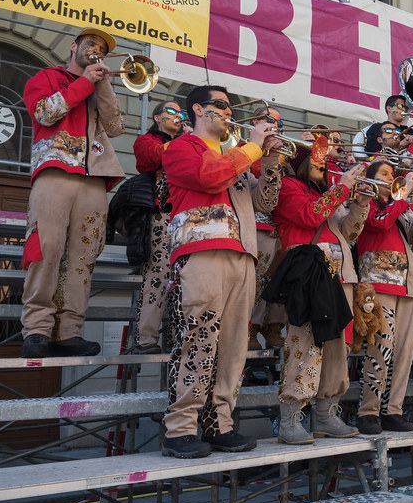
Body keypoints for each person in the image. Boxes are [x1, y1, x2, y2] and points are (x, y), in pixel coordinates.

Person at [159, 85, 281, 458]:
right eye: (222, 106)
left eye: (230, 107)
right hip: (202, 251)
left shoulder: (237, 155)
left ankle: (219, 424)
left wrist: (271, 161)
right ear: (198, 109)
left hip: (243, 254)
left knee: (232, 348)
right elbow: (210, 178)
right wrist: (254, 148)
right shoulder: (182, 146)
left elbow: (266, 202)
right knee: (197, 338)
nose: (229, 112)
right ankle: (180, 428)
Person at [20, 27, 125, 358]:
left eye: (102, 49)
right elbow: (45, 112)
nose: (96, 50)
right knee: (46, 249)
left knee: (84, 257)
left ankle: (69, 331)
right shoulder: (47, 76)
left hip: (95, 178)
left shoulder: (98, 85)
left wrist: (103, 83)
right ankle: (37, 329)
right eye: (91, 44)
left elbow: (116, 127)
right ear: (73, 47)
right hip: (55, 171)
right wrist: (84, 83)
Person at [272, 156, 371, 444]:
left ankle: (326, 413)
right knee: (305, 346)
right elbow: (309, 216)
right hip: (308, 279)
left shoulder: (329, 193)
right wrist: (341, 189)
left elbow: (350, 232)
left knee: (337, 351)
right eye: (316, 161)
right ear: (300, 162)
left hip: (340, 279)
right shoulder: (289, 187)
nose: (323, 166)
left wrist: (360, 203)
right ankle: (291, 417)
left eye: (324, 162)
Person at [354, 161, 413, 434]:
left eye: (392, 173)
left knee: (403, 354)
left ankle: (393, 410)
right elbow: (379, 223)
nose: (392, 177)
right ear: (372, 180)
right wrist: (403, 196)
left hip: (408, 287)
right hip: (377, 285)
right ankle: (368, 412)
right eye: (385, 174)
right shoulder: (368, 204)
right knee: (380, 351)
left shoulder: (401, 208)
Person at [130, 100, 189, 354]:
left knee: (185, 282)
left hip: (186, 220)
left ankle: (180, 338)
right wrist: (187, 142)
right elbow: (155, 156)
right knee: (157, 278)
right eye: (172, 112)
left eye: (181, 113)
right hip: (161, 218)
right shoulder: (146, 140)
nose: (178, 116)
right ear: (157, 117)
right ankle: (146, 339)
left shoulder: (186, 143)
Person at [244, 105, 286, 351]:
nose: (275, 125)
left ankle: (273, 328)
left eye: (277, 122)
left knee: (277, 283)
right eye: (269, 120)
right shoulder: (246, 148)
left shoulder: (282, 153)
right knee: (257, 283)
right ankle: (250, 329)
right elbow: (257, 172)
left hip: (280, 228)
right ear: (256, 121)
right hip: (256, 224)